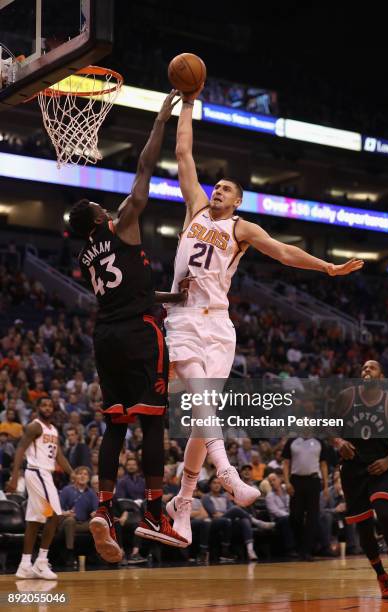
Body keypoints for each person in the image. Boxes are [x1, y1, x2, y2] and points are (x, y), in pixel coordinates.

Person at [166, 83, 364, 545]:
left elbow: (284, 253)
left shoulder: (242, 228)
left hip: (219, 324)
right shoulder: (194, 207)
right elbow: (183, 152)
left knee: (201, 415)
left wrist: (327, 266)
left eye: (226, 189)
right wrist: (189, 106)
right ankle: (229, 473)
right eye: (216, 186)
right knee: (202, 402)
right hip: (183, 315)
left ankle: (182, 500)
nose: (216, 190)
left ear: (238, 201)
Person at [68, 91, 187, 562]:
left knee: (116, 424)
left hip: (107, 337)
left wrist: (171, 296)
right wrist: (160, 119)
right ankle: (155, 513)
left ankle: (103, 507)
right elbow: (144, 168)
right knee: (154, 421)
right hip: (139, 333)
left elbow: (125, 290)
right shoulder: (124, 223)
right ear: (100, 216)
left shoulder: (86, 256)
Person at [334, 360, 388, 600]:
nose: (365, 370)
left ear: (381, 376)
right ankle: (382, 577)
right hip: (352, 471)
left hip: (379, 468)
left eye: (371, 368)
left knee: (387, 514)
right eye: (363, 368)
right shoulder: (347, 397)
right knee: (364, 528)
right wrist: (338, 442)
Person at [7, 396, 74, 579]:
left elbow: (59, 455)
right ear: (37, 408)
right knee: (54, 515)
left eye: (50, 405)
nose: (47, 408)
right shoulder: (34, 426)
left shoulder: (53, 429)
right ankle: (41, 562)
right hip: (36, 472)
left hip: (45, 475)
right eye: (43, 405)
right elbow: (20, 449)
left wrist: (71, 472)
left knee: (35, 521)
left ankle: (25, 565)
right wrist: (14, 478)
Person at [282, 432, 330, 561]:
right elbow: (286, 463)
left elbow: (324, 465)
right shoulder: (292, 441)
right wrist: (286, 482)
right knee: (295, 516)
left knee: (312, 518)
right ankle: (301, 546)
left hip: (313, 481)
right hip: (296, 481)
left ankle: (307, 551)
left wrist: (325, 486)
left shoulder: (320, 442)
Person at [58, 466, 98, 567]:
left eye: (85, 474)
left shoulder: (91, 493)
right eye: (80, 474)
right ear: (75, 476)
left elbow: (96, 510)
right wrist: (66, 512)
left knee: (98, 521)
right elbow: (58, 510)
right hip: (67, 522)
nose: (82, 476)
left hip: (83, 523)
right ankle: (69, 553)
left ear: (88, 478)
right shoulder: (66, 490)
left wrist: (95, 513)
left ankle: (96, 553)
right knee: (70, 520)